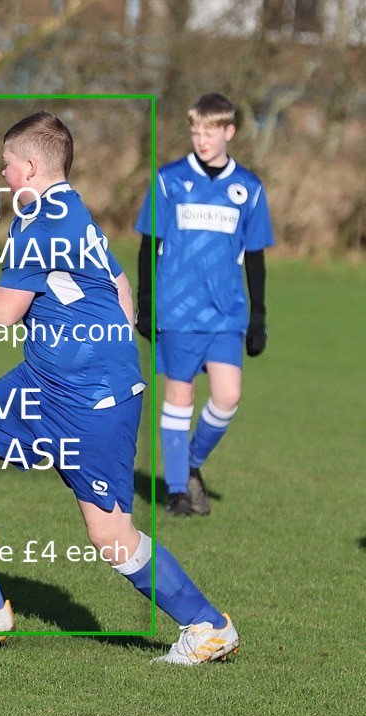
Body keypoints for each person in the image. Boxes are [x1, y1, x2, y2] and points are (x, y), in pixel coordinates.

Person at [0, 112, 239, 664]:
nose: (1, 173)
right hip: (48, 384)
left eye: (6, 165)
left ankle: (208, 626)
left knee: (112, 538)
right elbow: (121, 290)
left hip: (87, 402)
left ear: (30, 166)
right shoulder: (71, 208)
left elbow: (6, 313)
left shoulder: (40, 223)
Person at [135, 93, 273, 516]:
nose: (201, 139)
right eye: (195, 131)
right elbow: (148, 245)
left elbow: (254, 255)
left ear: (229, 131)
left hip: (226, 312)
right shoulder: (169, 180)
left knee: (228, 397)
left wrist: (259, 315)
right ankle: (177, 490)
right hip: (176, 309)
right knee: (180, 394)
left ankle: (191, 462)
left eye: (210, 131)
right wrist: (146, 301)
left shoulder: (247, 188)